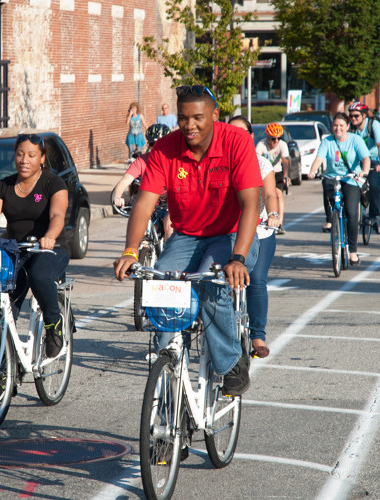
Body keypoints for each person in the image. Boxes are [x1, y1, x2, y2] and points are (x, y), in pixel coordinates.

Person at [114, 85, 262, 396]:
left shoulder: (237, 142)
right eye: (183, 118)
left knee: (211, 284)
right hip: (187, 236)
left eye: (198, 118)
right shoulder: (166, 148)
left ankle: (232, 361)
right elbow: (144, 203)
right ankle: (169, 361)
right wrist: (130, 251)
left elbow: (251, 203)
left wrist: (238, 258)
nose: (189, 126)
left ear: (215, 115)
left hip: (231, 235)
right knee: (162, 286)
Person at [0, 133, 70, 365]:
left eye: (31, 155)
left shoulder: (53, 183)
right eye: (20, 154)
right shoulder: (4, 186)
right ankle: (1, 374)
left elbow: (58, 215)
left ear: (42, 158)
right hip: (16, 251)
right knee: (5, 311)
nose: (24, 160)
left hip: (49, 249)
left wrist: (49, 236)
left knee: (39, 276)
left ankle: (53, 325)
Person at [229, 115, 279, 358]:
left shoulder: (261, 164)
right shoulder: (219, 162)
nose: (236, 138)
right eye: (231, 133)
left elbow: (270, 194)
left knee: (256, 279)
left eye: (241, 134)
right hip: (227, 232)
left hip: (260, 230)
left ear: (250, 137)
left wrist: (273, 213)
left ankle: (257, 335)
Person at [308, 112, 370, 266]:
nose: (338, 128)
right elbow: (319, 158)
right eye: (335, 125)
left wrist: (365, 171)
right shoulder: (327, 141)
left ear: (348, 126)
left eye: (341, 125)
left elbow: (366, 159)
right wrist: (312, 170)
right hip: (332, 178)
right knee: (329, 194)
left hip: (350, 179)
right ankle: (333, 219)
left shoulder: (355, 140)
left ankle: (353, 252)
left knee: (351, 212)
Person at [113, 123, 173, 239]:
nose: (157, 147)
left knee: (169, 226)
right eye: (153, 144)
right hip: (149, 204)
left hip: (170, 205)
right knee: (141, 229)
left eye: (162, 144)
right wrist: (117, 196)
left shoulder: (174, 161)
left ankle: (169, 256)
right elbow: (124, 181)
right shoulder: (142, 161)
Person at [349, 101, 380, 234]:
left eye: (356, 116)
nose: (353, 118)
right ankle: (360, 212)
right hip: (359, 161)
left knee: (374, 187)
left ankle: (376, 216)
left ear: (364, 115)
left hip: (375, 160)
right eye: (351, 116)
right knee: (355, 186)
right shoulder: (351, 128)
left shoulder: (373, 125)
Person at [255, 123, 289, 234]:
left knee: (278, 195)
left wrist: (285, 176)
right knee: (266, 194)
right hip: (265, 173)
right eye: (273, 139)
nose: (276, 142)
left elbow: (286, 161)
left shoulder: (282, 145)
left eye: (279, 138)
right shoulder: (261, 145)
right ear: (268, 138)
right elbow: (255, 160)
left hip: (277, 172)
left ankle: (279, 223)